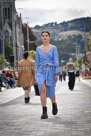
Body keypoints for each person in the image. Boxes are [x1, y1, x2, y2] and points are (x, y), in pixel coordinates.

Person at [35, 31, 60, 119]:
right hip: (41, 72)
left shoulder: (54, 48)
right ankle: (44, 111)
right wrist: (36, 75)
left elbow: (56, 61)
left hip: (51, 71)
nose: (44, 37)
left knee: (51, 93)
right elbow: (37, 63)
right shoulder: (38, 49)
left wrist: (57, 73)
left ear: (49, 37)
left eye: (46, 35)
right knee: (42, 89)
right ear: (41, 37)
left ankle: (54, 103)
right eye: (43, 36)